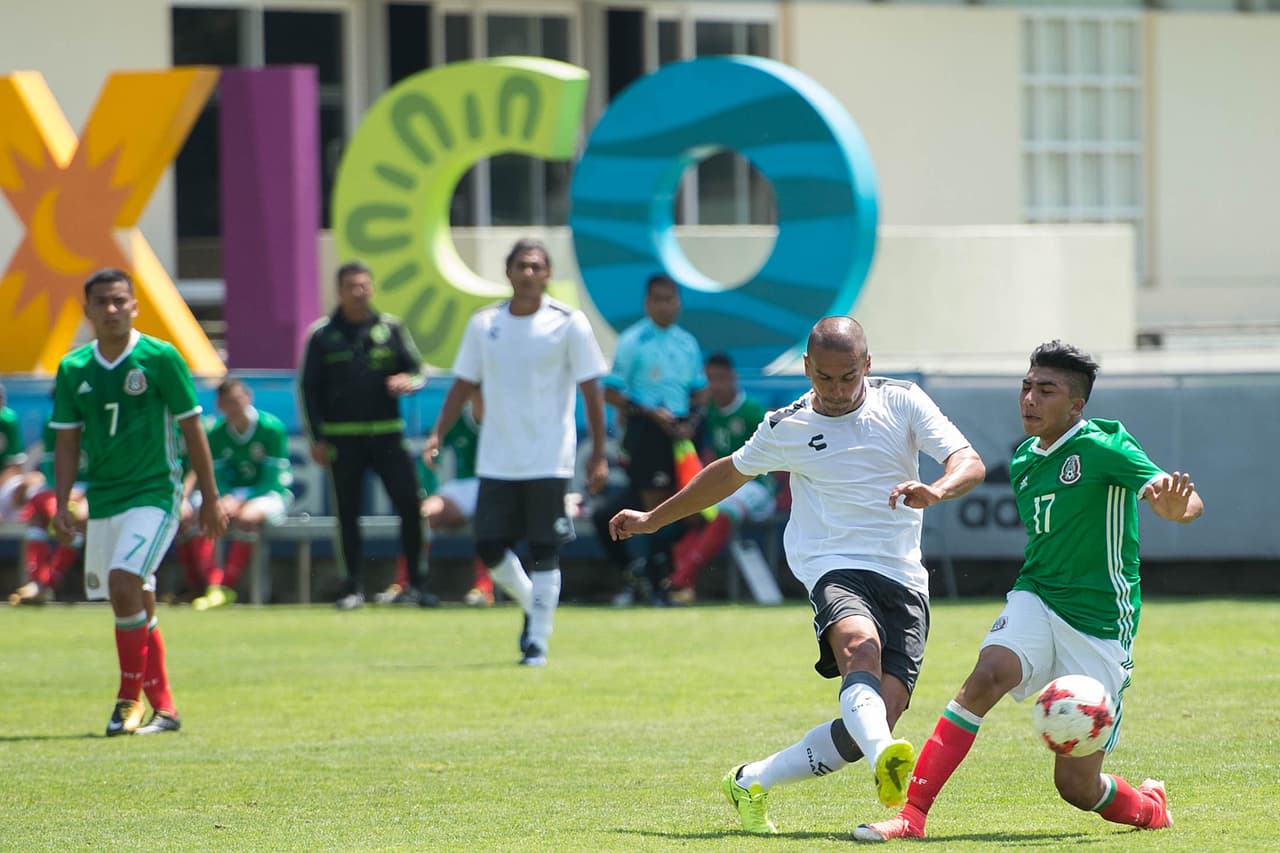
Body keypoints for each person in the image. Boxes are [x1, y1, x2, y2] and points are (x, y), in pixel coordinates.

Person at [610, 316, 986, 831]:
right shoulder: (788, 424)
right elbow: (727, 473)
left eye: (847, 377)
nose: (835, 390)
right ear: (807, 368)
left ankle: (751, 780)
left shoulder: (903, 400)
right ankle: (885, 760)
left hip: (903, 576)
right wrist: (653, 519)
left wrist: (938, 490)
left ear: (868, 366)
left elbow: (969, 460)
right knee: (860, 650)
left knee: (869, 722)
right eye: (823, 378)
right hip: (832, 564)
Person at [854, 340, 1200, 842]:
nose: (1029, 399)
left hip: (1100, 622)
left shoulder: (1105, 446)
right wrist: (936, 491)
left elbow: (1182, 501)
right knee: (985, 676)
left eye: (1046, 390)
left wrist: (1173, 507)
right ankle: (912, 816)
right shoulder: (1023, 462)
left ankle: (1150, 809)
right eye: (1026, 386)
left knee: (1076, 787)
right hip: (1037, 595)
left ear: (1076, 405)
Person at [49, 267, 227, 736]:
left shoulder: (160, 357)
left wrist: (209, 497)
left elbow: (193, 428)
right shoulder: (73, 369)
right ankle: (165, 710)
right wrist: (62, 501)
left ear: (134, 306)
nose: (111, 309)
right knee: (134, 598)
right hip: (105, 497)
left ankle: (127, 701)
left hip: (155, 492)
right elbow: (66, 442)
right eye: (101, 302)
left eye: (119, 301)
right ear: (86, 311)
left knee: (124, 581)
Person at [426, 238, 609, 666]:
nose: (528, 273)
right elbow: (463, 384)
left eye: (537, 266)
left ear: (547, 274)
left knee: (546, 548)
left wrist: (598, 453)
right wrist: (438, 433)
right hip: (497, 458)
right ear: (508, 272)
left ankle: (538, 643)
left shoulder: (568, 323)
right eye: (521, 266)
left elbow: (592, 392)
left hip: (549, 456)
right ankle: (534, 605)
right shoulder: (484, 324)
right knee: (488, 545)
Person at [298, 260, 436, 610]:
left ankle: (416, 584)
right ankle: (351, 588)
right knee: (347, 513)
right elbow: (308, 390)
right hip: (343, 440)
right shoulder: (322, 335)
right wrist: (316, 438)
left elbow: (418, 371)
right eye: (351, 287)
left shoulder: (390, 329)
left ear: (371, 288)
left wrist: (409, 381)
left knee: (410, 506)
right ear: (339, 291)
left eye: (364, 286)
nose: (359, 293)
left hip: (389, 437)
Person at [601, 273, 707, 604]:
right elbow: (612, 392)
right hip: (646, 430)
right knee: (653, 506)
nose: (665, 305)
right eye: (658, 299)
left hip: (680, 434)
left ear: (679, 302)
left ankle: (662, 575)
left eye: (671, 299)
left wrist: (690, 421)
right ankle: (655, 582)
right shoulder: (633, 341)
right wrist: (649, 412)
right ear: (647, 303)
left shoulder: (687, 342)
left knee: (692, 508)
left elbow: (700, 392)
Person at [666, 352, 777, 604]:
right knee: (694, 510)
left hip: (757, 487)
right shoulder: (709, 412)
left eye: (719, 378)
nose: (714, 385)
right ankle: (682, 578)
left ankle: (685, 574)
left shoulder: (752, 412)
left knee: (724, 510)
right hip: (727, 485)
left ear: (732, 378)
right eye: (709, 379)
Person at [374, 390, 490, 606]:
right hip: (465, 487)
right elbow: (431, 456)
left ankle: (484, 587)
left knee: (489, 516)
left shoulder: (506, 418)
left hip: (497, 486)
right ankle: (405, 582)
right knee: (423, 515)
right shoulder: (458, 418)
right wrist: (427, 491)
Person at [190, 378, 294, 610]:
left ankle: (226, 586)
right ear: (219, 405)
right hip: (231, 495)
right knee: (199, 513)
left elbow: (271, 480)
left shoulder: (271, 428)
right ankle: (212, 584)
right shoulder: (216, 432)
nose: (234, 408)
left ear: (248, 398)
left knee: (248, 518)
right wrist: (223, 498)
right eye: (228, 403)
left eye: (237, 401)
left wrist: (240, 500)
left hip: (269, 493)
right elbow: (215, 475)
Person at [10, 412, 88, 605]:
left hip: (97, 488)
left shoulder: (102, 415)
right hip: (63, 489)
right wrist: (64, 493)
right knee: (38, 513)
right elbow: (53, 464)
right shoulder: (55, 419)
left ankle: (45, 584)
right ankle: (38, 583)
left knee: (78, 518)